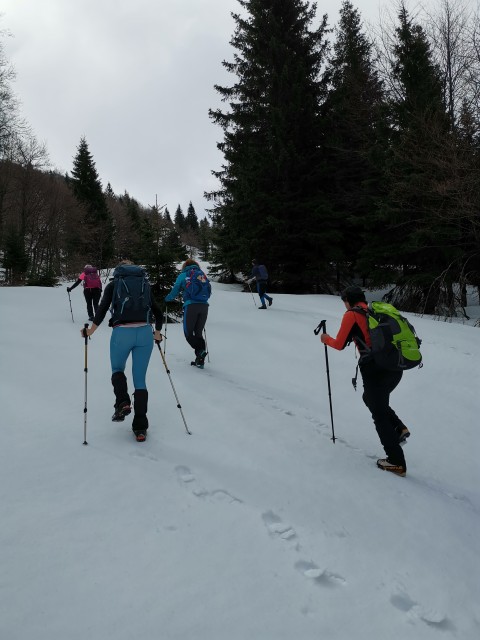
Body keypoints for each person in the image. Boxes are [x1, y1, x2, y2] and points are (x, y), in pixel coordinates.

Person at [319, 285, 409, 477]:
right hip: (394, 366)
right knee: (371, 399)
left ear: (348, 300)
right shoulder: (373, 311)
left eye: (344, 301)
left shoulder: (352, 314)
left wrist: (325, 338)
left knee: (379, 413)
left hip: (375, 369)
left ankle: (396, 462)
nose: (344, 305)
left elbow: (339, 344)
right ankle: (399, 428)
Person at [80, 260, 163, 442]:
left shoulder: (114, 284)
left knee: (117, 369)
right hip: (144, 334)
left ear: (119, 271)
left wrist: (90, 331)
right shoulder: (144, 284)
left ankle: (123, 402)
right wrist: (157, 333)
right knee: (140, 380)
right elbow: (158, 312)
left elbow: (101, 310)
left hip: (122, 333)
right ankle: (140, 428)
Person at [165, 259, 210, 367]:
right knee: (199, 333)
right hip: (204, 306)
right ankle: (200, 361)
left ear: (185, 266)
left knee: (188, 333)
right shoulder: (202, 274)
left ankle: (200, 352)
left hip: (191, 305)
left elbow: (176, 289)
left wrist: (167, 298)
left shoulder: (184, 274)